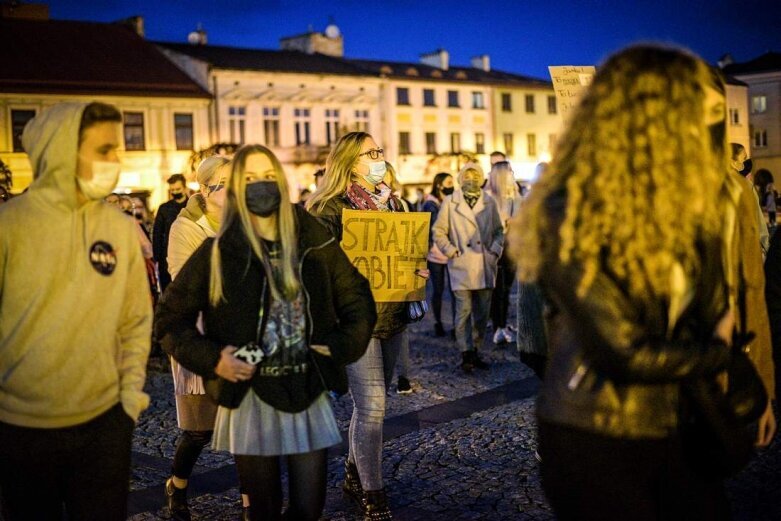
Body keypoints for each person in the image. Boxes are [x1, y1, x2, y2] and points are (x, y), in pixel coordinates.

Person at [509, 45, 774, 520]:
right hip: (600, 429)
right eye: (694, 108)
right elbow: (624, 351)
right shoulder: (568, 208)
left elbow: (725, 304)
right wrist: (717, 352)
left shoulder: (695, 200)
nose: (711, 125)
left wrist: (746, 381)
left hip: (680, 416)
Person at [155, 144, 375, 521]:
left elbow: (355, 294)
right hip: (250, 397)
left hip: (305, 390)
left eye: (268, 177)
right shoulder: (219, 248)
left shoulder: (309, 234)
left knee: (308, 507)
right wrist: (213, 359)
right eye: (250, 178)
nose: (260, 186)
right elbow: (169, 319)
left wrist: (337, 347)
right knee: (263, 509)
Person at [0, 102, 152, 519]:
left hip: (103, 424)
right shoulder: (9, 226)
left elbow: (136, 320)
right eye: (103, 150)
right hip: (20, 428)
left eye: (116, 150)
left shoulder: (119, 228)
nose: (115, 161)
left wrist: (128, 399)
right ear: (61, 149)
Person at [307, 132, 427, 520]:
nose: (379, 157)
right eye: (371, 152)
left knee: (375, 403)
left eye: (380, 150)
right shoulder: (328, 209)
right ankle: (374, 494)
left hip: (392, 315)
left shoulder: (396, 204)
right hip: (354, 320)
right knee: (372, 405)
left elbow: (408, 252)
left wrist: (417, 267)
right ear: (350, 162)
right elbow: (314, 266)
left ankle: (355, 471)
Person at [163, 155, 232, 520]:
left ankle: (253, 503)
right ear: (204, 190)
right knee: (199, 431)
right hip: (200, 337)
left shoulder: (245, 222)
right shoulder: (185, 227)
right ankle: (177, 484)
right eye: (224, 184)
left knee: (245, 429)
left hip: (240, 337)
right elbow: (183, 283)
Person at [432, 162, 504, 373]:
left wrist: (494, 250)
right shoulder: (449, 202)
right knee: (463, 312)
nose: (471, 181)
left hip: (484, 265)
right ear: (460, 179)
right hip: (462, 264)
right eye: (466, 177)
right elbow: (438, 231)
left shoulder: (489, 202)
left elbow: (499, 231)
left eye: (475, 177)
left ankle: (476, 348)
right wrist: (450, 251)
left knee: (482, 313)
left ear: (481, 179)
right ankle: (466, 353)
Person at [485, 161, 523, 345]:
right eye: (509, 172)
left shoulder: (514, 196)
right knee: (497, 289)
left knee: (507, 288)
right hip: (496, 247)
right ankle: (497, 326)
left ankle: (502, 324)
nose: (512, 174)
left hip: (512, 246)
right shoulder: (489, 197)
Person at [423, 172, 456, 337]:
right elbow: (436, 227)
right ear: (439, 185)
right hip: (435, 254)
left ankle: (457, 325)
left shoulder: (450, 201)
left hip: (449, 252)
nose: (452, 185)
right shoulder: (431, 204)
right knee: (438, 290)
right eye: (448, 182)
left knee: (454, 290)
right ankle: (438, 322)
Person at [731, 143, 769, 254]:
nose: (748, 162)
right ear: (732, 162)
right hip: (747, 249)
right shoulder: (746, 186)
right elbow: (758, 220)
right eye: (744, 158)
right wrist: (766, 247)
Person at [154, 173, 189, 291]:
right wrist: (157, 258)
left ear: (184, 188)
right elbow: (157, 234)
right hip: (167, 256)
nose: (175, 192)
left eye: (178, 189)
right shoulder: (164, 208)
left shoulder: (192, 206)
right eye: (172, 190)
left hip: (189, 252)